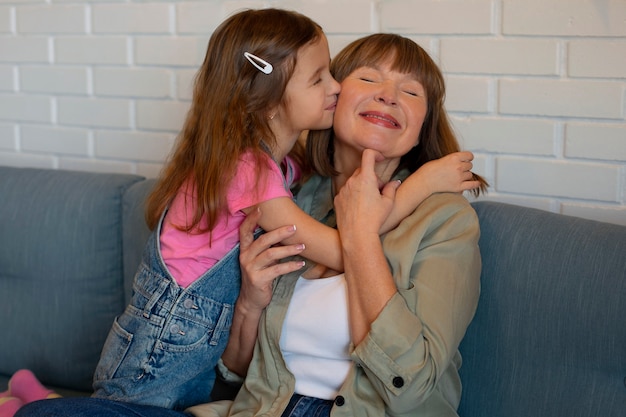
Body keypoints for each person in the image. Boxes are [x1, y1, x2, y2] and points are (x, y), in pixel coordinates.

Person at [9, 11, 480, 417]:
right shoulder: (295, 191)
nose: (389, 95)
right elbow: (234, 377)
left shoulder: (444, 222)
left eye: (411, 91)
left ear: (424, 127)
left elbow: (414, 383)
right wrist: (252, 303)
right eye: (369, 78)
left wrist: (416, 187)